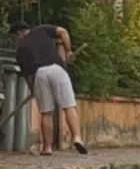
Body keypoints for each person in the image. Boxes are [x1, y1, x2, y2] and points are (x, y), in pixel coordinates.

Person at [9, 21, 87, 156]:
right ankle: (77, 138)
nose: (16, 40)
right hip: (57, 69)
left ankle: (47, 148)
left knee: (46, 112)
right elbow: (63, 31)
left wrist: (34, 90)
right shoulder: (41, 30)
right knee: (69, 106)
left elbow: (28, 76)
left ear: (19, 33)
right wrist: (68, 51)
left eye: (15, 37)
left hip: (40, 74)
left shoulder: (21, 50)